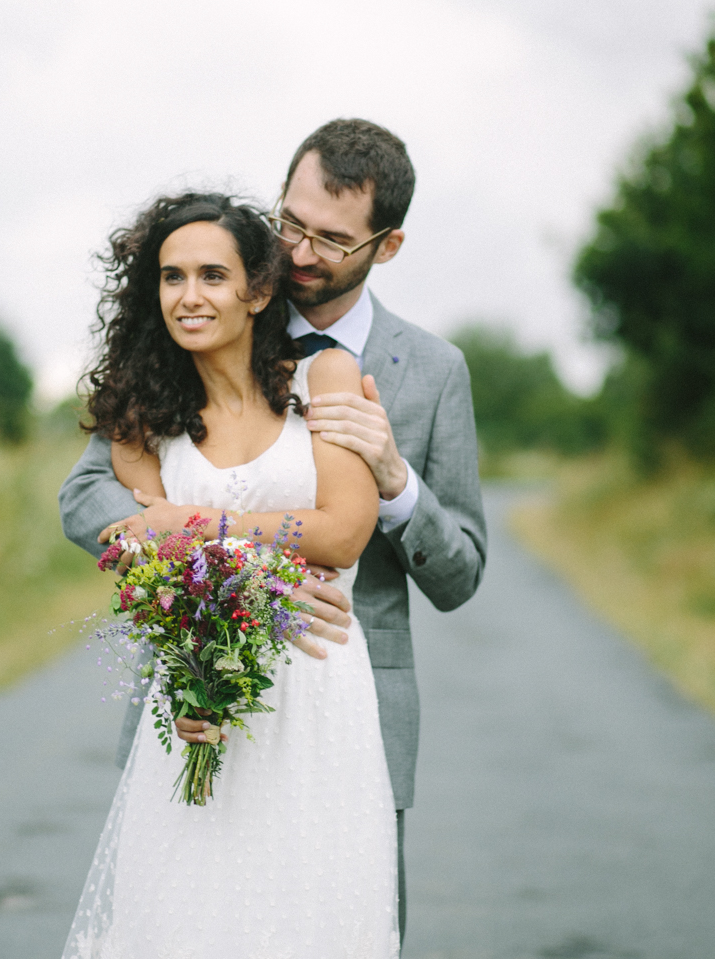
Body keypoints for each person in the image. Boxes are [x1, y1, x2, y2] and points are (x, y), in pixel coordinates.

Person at [59, 119, 488, 946]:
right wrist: (220, 570)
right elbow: (87, 499)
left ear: (386, 245)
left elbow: (460, 573)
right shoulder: (191, 335)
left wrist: (397, 485)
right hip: (201, 691)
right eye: (290, 223)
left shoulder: (432, 373)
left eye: (331, 239)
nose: (299, 252)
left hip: (341, 714)